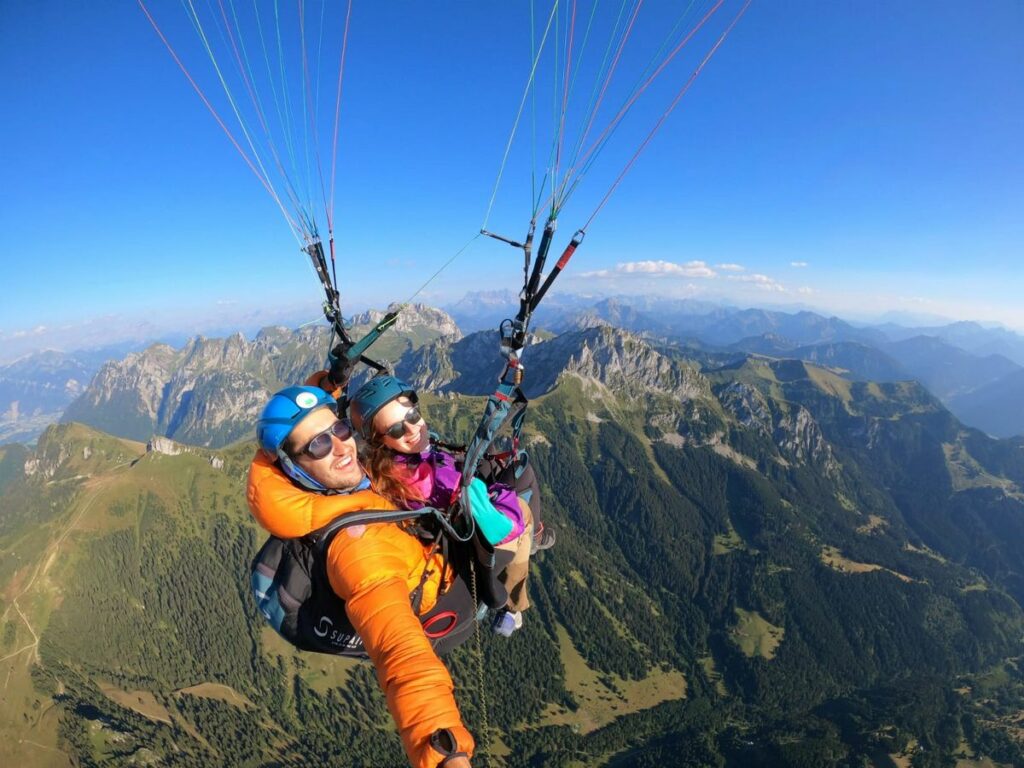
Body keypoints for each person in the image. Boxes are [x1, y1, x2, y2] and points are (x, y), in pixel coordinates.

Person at [248, 385, 475, 768]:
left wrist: (328, 381)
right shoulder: (360, 550)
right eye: (318, 446)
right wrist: (444, 753)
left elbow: (296, 434)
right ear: (292, 467)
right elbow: (402, 655)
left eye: (338, 430)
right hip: (447, 601)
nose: (341, 447)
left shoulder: (316, 493)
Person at [347, 375, 542, 634]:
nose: (412, 429)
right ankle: (513, 605)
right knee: (524, 490)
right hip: (480, 539)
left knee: (494, 457)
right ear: (379, 440)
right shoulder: (436, 481)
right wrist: (498, 492)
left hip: (449, 520)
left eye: (413, 416)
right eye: (396, 429)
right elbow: (503, 528)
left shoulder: (384, 466)